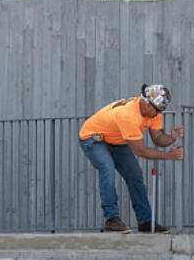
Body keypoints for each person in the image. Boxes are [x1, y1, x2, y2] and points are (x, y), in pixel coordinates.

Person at [78, 84, 184, 233]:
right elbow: (140, 151)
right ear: (146, 103)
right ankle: (111, 219)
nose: (159, 113)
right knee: (106, 167)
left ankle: (145, 222)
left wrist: (171, 139)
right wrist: (168, 156)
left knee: (134, 174)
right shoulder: (128, 115)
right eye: (158, 110)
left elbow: (158, 137)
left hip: (116, 139)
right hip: (94, 136)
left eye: (161, 110)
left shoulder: (154, 111)